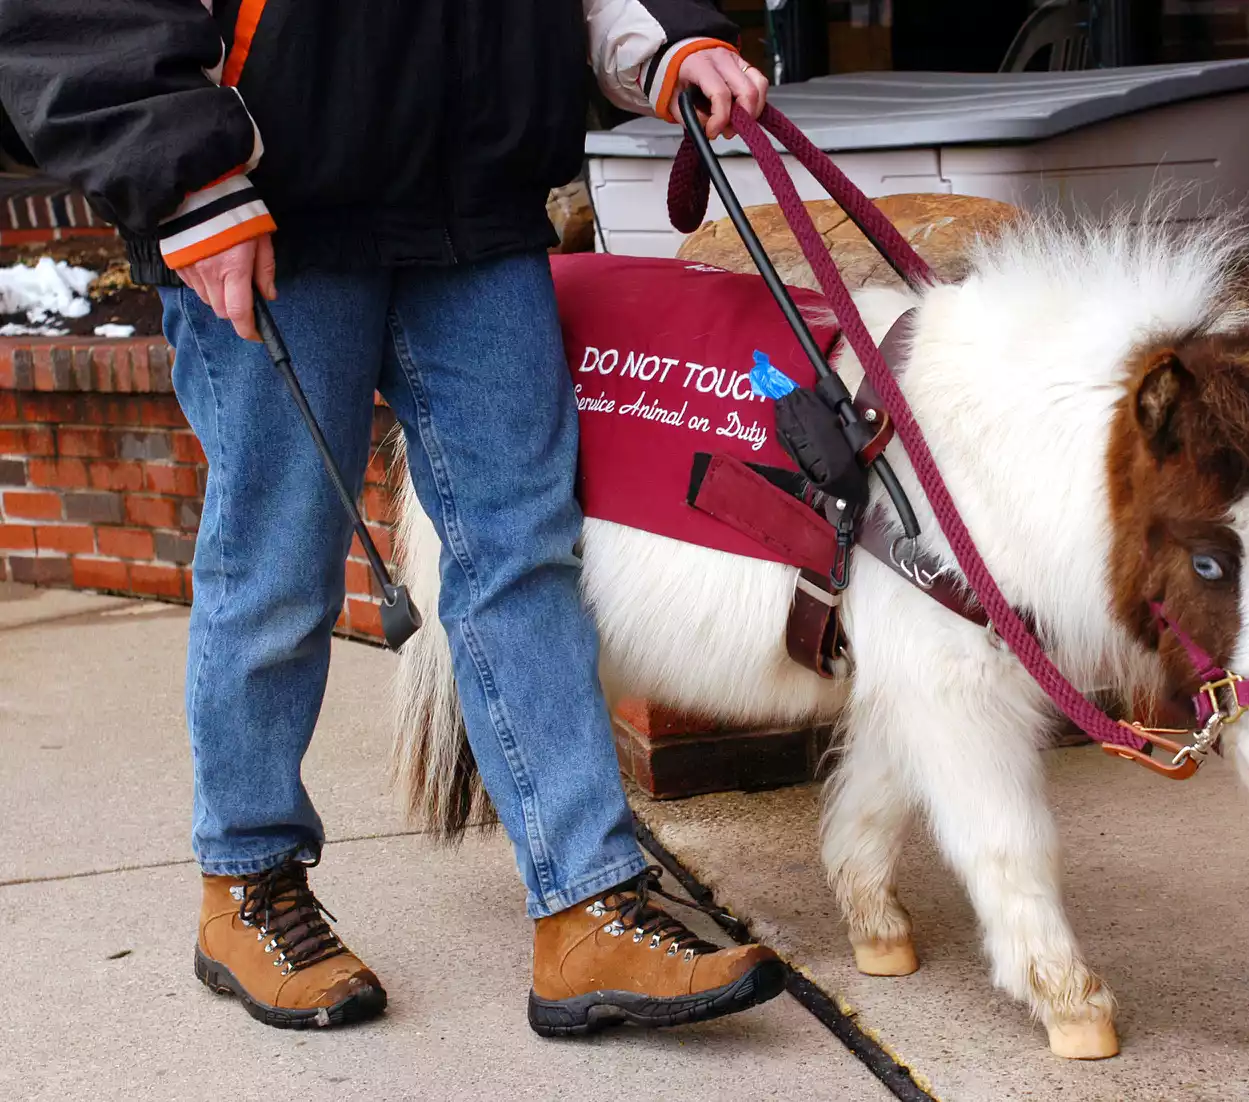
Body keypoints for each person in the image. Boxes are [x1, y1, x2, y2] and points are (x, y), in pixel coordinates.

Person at [0, 0, 778, 1035]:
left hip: (475, 208)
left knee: (527, 553)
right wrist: (181, 164)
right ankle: (247, 883)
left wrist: (666, 37)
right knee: (278, 567)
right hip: (266, 207)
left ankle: (588, 900)